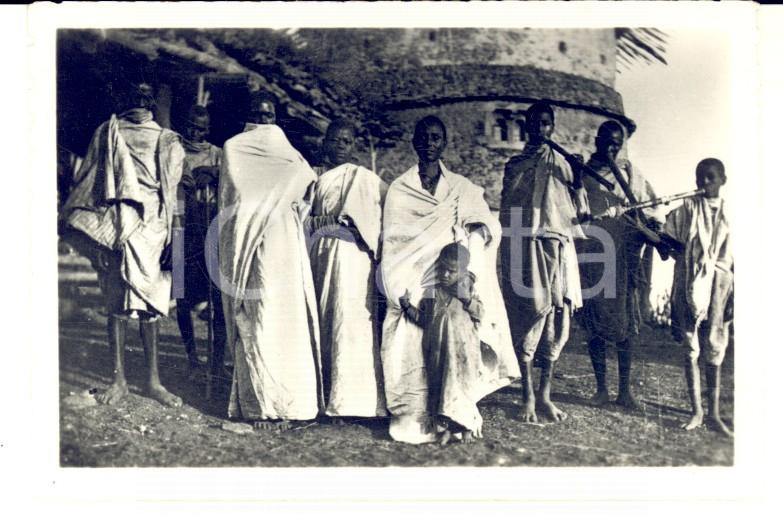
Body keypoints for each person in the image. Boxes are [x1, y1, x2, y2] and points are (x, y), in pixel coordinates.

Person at [380, 115, 520, 444]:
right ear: (414, 141)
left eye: (436, 137)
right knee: (409, 338)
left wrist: (475, 231)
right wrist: (402, 285)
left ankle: (457, 414)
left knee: (456, 339)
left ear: (444, 143)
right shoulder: (400, 189)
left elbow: (486, 222)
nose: (429, 143)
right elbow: (394, 242)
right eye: (423, 137)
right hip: (411, 274)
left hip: (447, 279)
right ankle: (416, 414)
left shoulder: (461, 188)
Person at [61, 81, 185, 407]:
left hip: (155, 230)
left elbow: (174, 194)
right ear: (124, 97)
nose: (140, 99)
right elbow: (89, 185)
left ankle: (154, 381)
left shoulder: (166, 139)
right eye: (134, 94)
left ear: (152, 100)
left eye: (145, 94)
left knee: (151, 307)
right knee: (116, 304)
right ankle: (119, 381)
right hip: (117, 228)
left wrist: (175, 238)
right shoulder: (107, 133)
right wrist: (98, 242)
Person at [218, 91, 323, 430]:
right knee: (259, 317)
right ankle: (261, 407)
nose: (263, 122)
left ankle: (292, 405)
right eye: (257, 114)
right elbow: (234, 199)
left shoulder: (289, 154)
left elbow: (307, 188)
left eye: (269, 115)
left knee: (288, 322)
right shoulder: (234, 148)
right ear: (247, 116)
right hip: (252, 247)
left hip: (286, 246)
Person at [499, 101, 590, 423]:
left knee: (556, 319)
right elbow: (508, 213)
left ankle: (545, 396)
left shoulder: (564, 164)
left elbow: (582, 214)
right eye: (535, 123)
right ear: (527, 126)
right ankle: (526, 395)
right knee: (528, 315)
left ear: (553, 127)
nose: (541, 128)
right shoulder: (515, 165)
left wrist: (578, 179)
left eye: (546, 123)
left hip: (559, 246)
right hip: (525, 247)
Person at [578, 120, 665, 410]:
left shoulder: (629, 173)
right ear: (597, 141)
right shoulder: (583, 172)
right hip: (593, 251)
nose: (612, 149)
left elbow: (651, 206)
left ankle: (625, 391)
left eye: (617, 144)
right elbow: (576, 208)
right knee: (595, 321)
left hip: (623, 254)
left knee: (625, 323)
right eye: (608, 143)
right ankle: (601, 389)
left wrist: (650, 225)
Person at [306, 119, 388, 421]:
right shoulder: (312, 177)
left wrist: (360, 228)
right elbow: (300, 216)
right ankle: (324, 398)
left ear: (353, 146)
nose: (340, 146)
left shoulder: (367, 180)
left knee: (353, 325)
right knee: (324, 322)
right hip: (321, 257)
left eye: (347, 141)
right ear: (325, 142)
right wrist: (325, 223)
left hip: (357, 260)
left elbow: (388, 212)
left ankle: (357, 403)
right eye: (335, 140)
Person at [662, 158, 733, 436]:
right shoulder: (687, 209)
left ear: (723, 180)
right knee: (691, 346)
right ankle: (697, 411)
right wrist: (657, 235)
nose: (704, 182)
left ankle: (713, 413)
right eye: (700, 177)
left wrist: (734, 295)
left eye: (710, 177)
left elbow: (734, 259)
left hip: (720, 286)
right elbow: (669, 242)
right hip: (689, 282)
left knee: (714, 345)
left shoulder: (731, 214)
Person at [399, 243, 486, 445]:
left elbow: (480, 313)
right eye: (442, 269)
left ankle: (465, 427)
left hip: (463, 352)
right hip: (439, 351)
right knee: (441, 390)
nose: (445, 274)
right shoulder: (433, 291)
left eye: (452, 271)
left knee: (462, 389)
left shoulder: (469, 288)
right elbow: (424, 319)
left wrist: (466, 299)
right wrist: (407, 306)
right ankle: (445, 430)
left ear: (463, 270)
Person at [174, 105, 227, 379]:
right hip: (182, 229)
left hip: (211, 230)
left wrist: (213, 172)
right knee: (182, 298)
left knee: (217, 299)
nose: (197, 133)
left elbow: (233, 177)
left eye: (202, 129)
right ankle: (192, 359)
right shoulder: (175, 150)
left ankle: (216, 364)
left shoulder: (219, 153)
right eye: (192, 127)